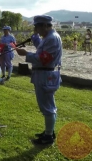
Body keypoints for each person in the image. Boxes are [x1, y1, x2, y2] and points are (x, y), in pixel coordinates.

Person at [16, 15, 62, 145]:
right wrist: (35, 37)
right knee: (48, 105)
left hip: (45, 76)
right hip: (43, 75)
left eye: (37, 27)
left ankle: (48, 136)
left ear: (45, 25)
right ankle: (49, 131)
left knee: (47, 107)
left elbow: (44, 59)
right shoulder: (48, 38)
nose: (36, 29)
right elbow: (41, 49)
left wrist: (26, 54)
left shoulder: (52, 39)